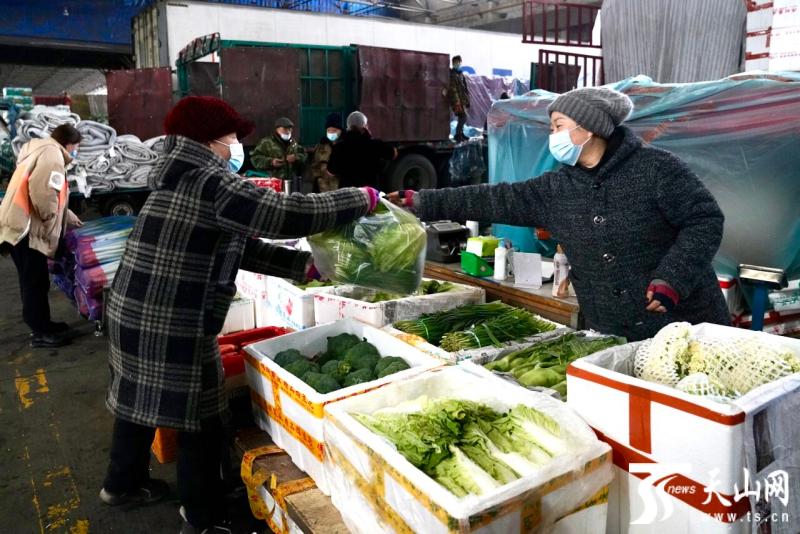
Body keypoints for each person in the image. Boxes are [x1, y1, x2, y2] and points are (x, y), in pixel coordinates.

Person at [98, 96, 379, 534]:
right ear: (208, 137)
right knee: (201, 419)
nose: (235, 143)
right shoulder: (208, 181)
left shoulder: (178, 178)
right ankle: (202, 517)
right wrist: (360, 199)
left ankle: (121, 485)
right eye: (231, 135)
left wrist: (300, 267)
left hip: (134, 309)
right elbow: (286, 213)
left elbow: (234, 243)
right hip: (172, 321)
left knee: (138, 400)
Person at [390, 87, 729, 341]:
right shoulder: (557, 189)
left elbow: (704, 220)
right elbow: (493, 198)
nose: (552, 135)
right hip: (613, 331)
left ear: (588, 128)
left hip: (686, 326)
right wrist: (421, 201)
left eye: (558, 126)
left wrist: (672, 277)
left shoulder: (656, 169)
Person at [0, 124, 83, 348]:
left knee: (34, 280)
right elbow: (43, 192)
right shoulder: (52, 154)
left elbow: (53, 192)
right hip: (26, 228)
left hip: (18, 224)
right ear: (69, 143)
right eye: (76, 147)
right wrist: (50, 219)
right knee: (34, 281)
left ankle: (43, 324)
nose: (75, 151)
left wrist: (67, 215)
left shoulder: (39, 150)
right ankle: (40, 332)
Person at [328, 111, 396, 189]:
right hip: (369, 195)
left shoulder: (338, 147)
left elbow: (331, 171)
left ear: (348, 126)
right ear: (365, 126)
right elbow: (393, 154)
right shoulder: (375, 144)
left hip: (346, 195)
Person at [250, 117, 307, 182]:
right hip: (272, 181)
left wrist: (296, 158)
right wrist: (271, 162)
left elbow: (304, 155)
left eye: (290, 129)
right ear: (277, 129)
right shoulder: (266, 142)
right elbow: (255, 159)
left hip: (290, 182)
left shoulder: (293, 143)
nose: (288, 131)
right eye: (285, 129)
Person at [311, 112, 343, 192]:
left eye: (334, 130)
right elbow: (315, 165)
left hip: (340, 190)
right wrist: (317, 180)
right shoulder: (321, 145)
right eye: (329, 130)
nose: (331, 133)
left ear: (340, 130)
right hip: (323, 189)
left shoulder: (345, 145)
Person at [448, 55, 470, 142]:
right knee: (463, 117)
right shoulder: (452, 74)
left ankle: (460, 133)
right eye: (456, 62)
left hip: (462, 100)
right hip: (457, 100)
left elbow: (465, 88)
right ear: (453, 63)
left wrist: (467, 100)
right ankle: (457, 134)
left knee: (462, 117)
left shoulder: (460, 74)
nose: (458, 64)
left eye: (459, 62)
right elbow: (453, 89)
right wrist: (457, 102)